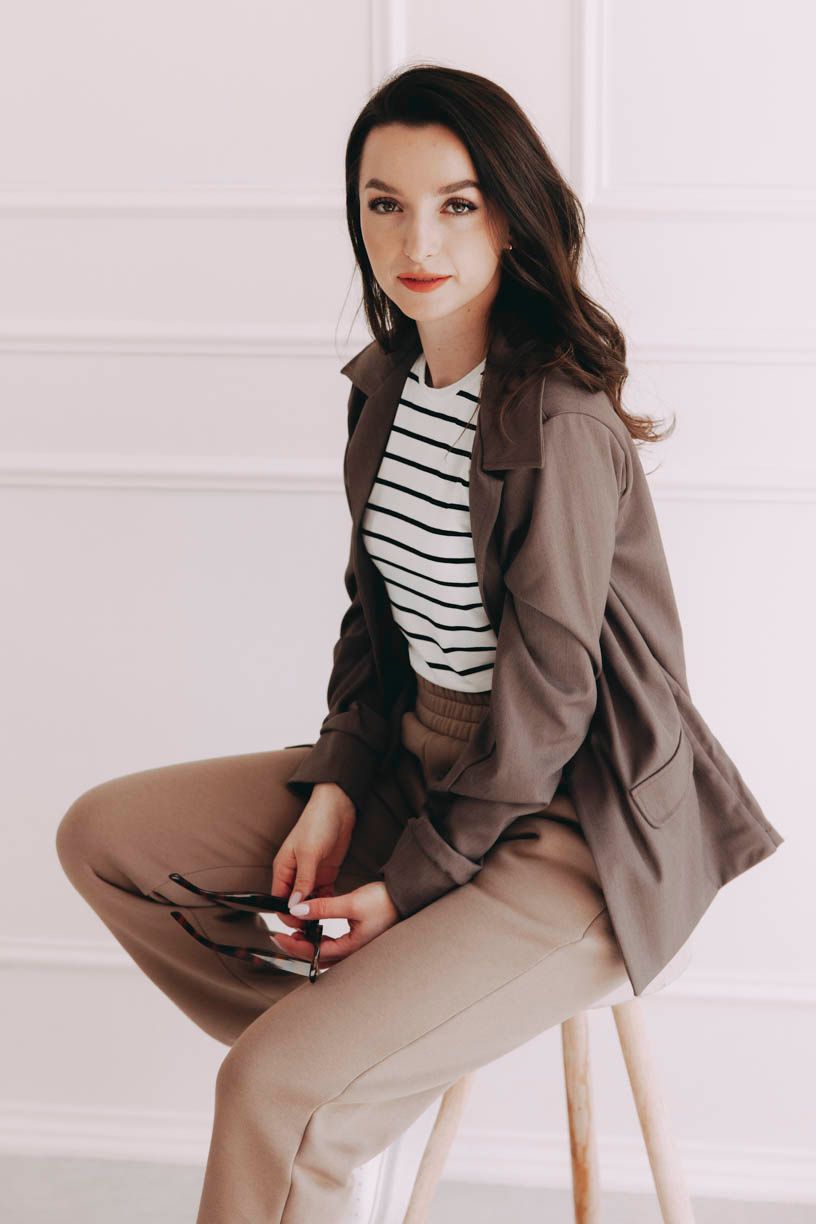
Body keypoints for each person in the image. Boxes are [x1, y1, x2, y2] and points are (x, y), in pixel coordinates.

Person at [55, 64, 783, 1223]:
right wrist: (340, 782)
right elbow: (375, 621)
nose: (417, 239)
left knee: (268, 1090)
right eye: (384, 204)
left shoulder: (558, 419)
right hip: (417, 760)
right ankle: (357, 1059)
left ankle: (326, 1081)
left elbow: (552, 705)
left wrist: (409, 886)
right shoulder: (390, 387)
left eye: (456, 203)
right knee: (108, 840)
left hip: (570, 821)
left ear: (511, 216)